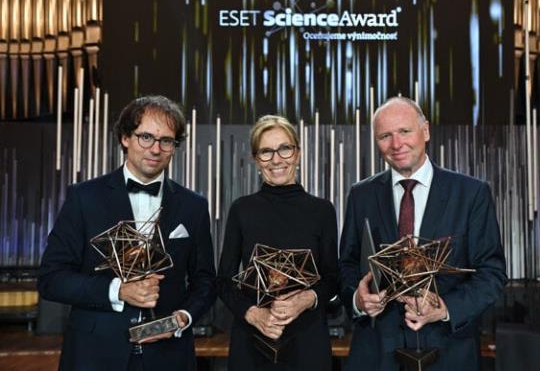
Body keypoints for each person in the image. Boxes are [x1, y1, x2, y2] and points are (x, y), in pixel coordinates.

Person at [38, 95, 216, 371]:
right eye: (145, 137)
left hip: (169, 357)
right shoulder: (83, 198)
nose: (155, 149)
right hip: (94, 355)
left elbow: (204, 280)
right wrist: (118, 290)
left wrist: (182, 318)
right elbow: (52, 278)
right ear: (125, 138)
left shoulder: (193, 205)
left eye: (166, 140)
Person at [339, 97, 507, 371]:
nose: (396, 144)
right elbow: (346, 265)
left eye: (404, 131)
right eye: (385, 136)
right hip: (376, 354)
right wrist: (358, 300)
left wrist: (444, 308)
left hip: (449, 352)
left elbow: (492, 272)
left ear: (425, 131)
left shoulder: (471, 193)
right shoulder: (361, 195)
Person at [217, 115, 339, 371]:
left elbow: (333, 277)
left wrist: (306, 298)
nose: (276, 159)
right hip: (252, 341)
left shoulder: (322, 211)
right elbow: (224, 280)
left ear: (298, 153)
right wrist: (254, 314)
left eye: (284, 148)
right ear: (255, 159)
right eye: (266, 151)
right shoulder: (241, 209)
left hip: (308, 343)